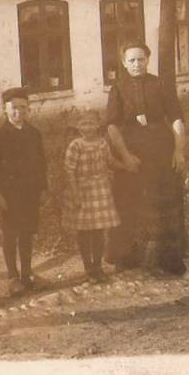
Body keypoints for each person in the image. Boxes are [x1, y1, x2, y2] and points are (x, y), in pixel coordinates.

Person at [105, 40, 189, 275]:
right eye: (131, 60)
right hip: (131, 152)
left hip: (160, 150)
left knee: (164, 201)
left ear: (147, 60)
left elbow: (176, 118)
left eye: (141, 59)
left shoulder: (160, 84)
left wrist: (179, 150)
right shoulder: (118, 88)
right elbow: (112, 125)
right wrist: (125, 156)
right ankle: (127, 256)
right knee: (129, 202)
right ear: (123, 62)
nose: (136, 64)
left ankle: (168, 257)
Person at [0, 86, 48, 296]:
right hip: (9, 195)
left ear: (28, 109)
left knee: (27, 232)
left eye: (23, 107)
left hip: (30, 192)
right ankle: (12, 276)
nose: (18, 112)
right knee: (10, 234)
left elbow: (42, 163)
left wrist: (43, 188)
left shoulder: (34, 133)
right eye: (13, 108)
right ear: (5, 109)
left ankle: (27, 273)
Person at [63, 109, 122, 284]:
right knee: (83, 231)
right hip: (81, 189)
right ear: (77, 126)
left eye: (91, 123)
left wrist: (126, 165)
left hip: (100, 190)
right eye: (83, 123)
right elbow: (69, 170)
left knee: (98, 230)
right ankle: (87, 266)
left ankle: (98, 266)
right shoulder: (76, 145)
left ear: (97, 125)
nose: (87, 127)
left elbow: (110, 162)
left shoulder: (102, 143)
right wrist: (75, 194)